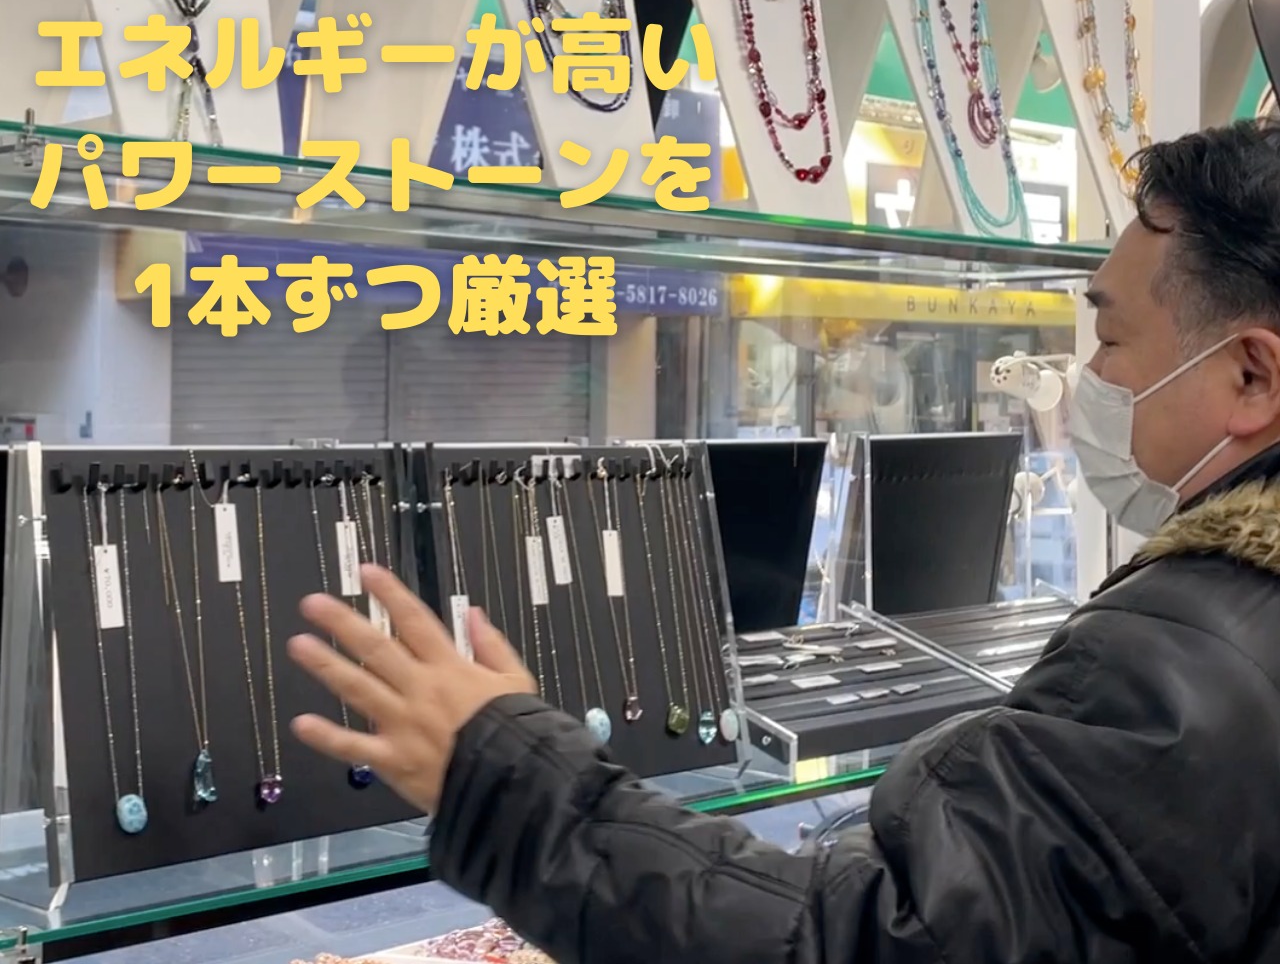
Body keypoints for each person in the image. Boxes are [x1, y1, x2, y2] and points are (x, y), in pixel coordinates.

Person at [288, 119, 1280, 962]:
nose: (1089, 377)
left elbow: (858, 944)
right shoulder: (1208, 637)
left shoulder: (1176, 663)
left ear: (1250, 377)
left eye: (1110, 340)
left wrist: (509, 785)